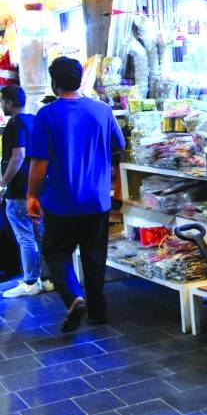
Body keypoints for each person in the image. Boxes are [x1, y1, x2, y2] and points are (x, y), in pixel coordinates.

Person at [27, 57, 125, 332]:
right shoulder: (103, 111)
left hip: (61, 201)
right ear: (81, 80)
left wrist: (32, 195)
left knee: (55, 252)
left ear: (53, 82)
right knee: (94, 256)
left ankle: (74, 296)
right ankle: (97, 312)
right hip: (97, 200)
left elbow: (39, 162)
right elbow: (118, 145)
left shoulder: (46, 115)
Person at [0, 85, 52, 298]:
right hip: (37, 186)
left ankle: (30, 282)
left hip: (19, 189)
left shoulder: (15, 123)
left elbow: (18, 155)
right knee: (41, 235)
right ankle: (48, 279)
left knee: (24, 236)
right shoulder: (33, 120)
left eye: (2, 101)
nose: (1, 105)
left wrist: (3, 183)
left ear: (10, 103)